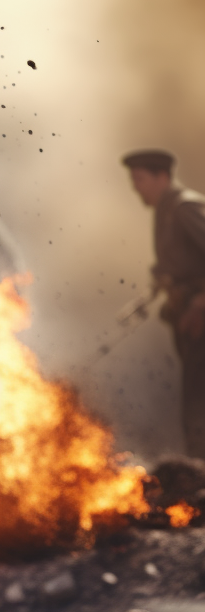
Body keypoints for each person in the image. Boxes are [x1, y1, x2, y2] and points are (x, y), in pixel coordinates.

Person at [123, 149, 205, 459]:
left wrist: (200, 301)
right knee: (194, 392)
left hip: (200, 316)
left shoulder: (185, 208)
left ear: (162, 177)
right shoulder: (165, 210)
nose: (136, 188)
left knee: (199, 395)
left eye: (140, 179)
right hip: (186, 317)